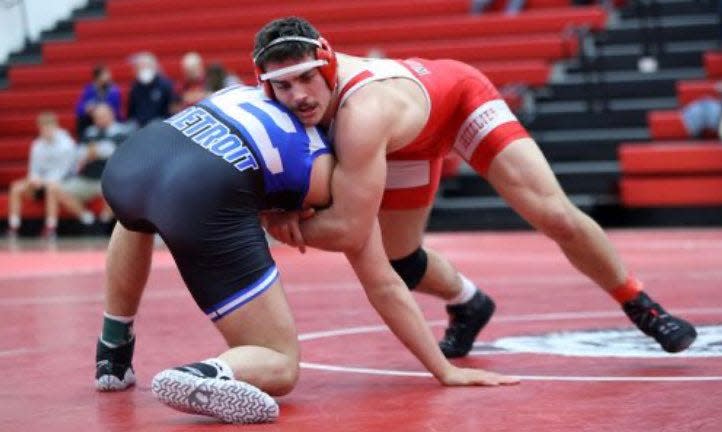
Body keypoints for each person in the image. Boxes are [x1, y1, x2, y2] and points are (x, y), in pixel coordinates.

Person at [253, 17, 697, 358]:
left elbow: (348, 228)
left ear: (328, 65)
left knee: (554, 215)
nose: (299, 97)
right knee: (401, 260)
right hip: (404, 146)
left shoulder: (362, 112)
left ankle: (641, 304)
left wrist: (268, 221)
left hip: (460, 103)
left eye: (308, 78)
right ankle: (469, 303)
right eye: (284, 85)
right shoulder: (280, 108)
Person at [94, 86, 517, 424]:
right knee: (281, 362)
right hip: (201, 197)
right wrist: (442, 369)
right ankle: (203, 376)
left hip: (135, 161)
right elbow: (382, 281)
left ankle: (112, 354)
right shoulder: (334, 166)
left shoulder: (251, 91)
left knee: (137, 218)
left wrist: (272, 206)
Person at [53, 103, 132, 226]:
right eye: (97, 117)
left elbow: (113, 150)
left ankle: (104, 222)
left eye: (103, 116)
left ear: (111, 115)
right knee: (55, 189)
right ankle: (87, 219)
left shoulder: (122, 131)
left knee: (119, 189)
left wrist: (93, 151)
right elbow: (79, 153)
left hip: (109, 179)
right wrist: (97, 151)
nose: (100, 119)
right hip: (87, 178)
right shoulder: (89, 132)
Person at [6, 111, 76, 238]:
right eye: (43, 128)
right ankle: (13, 226)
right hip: (41, 182)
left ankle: (51, 228)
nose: (46, 131)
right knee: (16, 188)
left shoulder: (67, 144)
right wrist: (34, 179)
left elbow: (64, 171)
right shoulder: (37, 145)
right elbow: (33, 169)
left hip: (62, 181)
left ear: (56, 126)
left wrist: (44, 181)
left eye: (49, 127)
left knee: (51, 189)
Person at [126, 51, 175, 127]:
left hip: (161, 123)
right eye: (140, 67)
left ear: (154, 66)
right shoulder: (135, 87)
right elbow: (131, 111)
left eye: (146, 66)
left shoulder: (165, 85)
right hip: (140, 125)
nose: (143, 69)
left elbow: (172, 109)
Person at [74, 64, 123, 137]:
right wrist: (87, 108)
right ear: (97, 77)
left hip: (110, 119)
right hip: (93, 120)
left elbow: (116, 109)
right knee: (81, 120)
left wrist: (102, 110)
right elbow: (78, 109)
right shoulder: (89, 90)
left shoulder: (114, 90)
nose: (109, 77)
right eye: (105, 75)